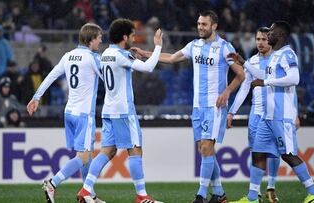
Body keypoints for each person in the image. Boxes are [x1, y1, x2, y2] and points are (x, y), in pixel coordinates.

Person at [133, 10, 245, 203]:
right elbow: (171, 58)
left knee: (207, 148)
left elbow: (241, 74)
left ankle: (201, 195)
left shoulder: (225, 48)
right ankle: (219, 193)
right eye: (199, 24)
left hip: (214, 106)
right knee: (204, 149)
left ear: (214, 26)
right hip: (197, 106)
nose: (200, 27)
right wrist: (146, 53)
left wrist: (227, 92)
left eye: (204, 24)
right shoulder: (194, 45)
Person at [229, 21, 314, 203]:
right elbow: (266, 76)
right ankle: (252, 198)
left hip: (281, 116)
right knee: (257, 152)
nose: (267, 35)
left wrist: (267, 83)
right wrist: (244, 63)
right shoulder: (275, 57)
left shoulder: (287, 54)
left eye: (270, 32)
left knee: (288, 155)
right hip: (267, 116)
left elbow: (294, 79)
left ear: (279, 35)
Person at [76, 18, 164, 203]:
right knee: (135, 150)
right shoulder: (121, 55)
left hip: (108, 110)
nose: (134, 38)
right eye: (132, 35)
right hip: (124, 110)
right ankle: (142, 196)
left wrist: (130, 58)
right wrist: (157, 47)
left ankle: (85, 190)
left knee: (107, 151)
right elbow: (148, 68)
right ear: (124, 36)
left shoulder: (106, 53)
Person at [26, 23, 104, 203]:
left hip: (69, 112)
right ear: (91, 39)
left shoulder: (68, 56)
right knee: (83, 157)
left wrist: (36, 97)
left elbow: (51, 76)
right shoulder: (93, 58)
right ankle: (53, 183)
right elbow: (110, 78)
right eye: (99, 37)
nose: (101, 40)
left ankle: (88, 193)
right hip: (84, 115)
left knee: (87, 154)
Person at [227, 27, 280, 203]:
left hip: (274, 114)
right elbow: (244, 89)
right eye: (258, 39)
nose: (260, 42)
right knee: (256, 153)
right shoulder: (252, 61)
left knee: (274, 153)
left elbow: (290, 89)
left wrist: (293, 113)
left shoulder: (277, 60)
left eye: (264, 39)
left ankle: (271, 187)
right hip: (256, 114)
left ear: (270, 40)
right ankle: (255, 193)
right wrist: (232, 112)